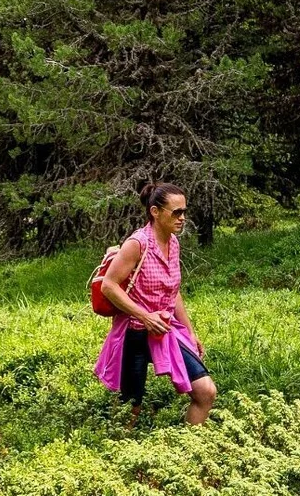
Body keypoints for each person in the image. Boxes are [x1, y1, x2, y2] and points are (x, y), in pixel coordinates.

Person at [93, 182, 216, 425]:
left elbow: (173, 291)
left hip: (165, 332)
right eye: (176, 212)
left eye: (184, 212)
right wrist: (145, 316)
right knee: (131, 409)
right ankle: (125, 455)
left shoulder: (173, 243)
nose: (182, 218)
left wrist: (189, 332)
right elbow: (109, 285)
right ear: (155, 212)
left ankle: (189, 452)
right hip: (134, 335)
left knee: (205, 392)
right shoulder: (137, 244)